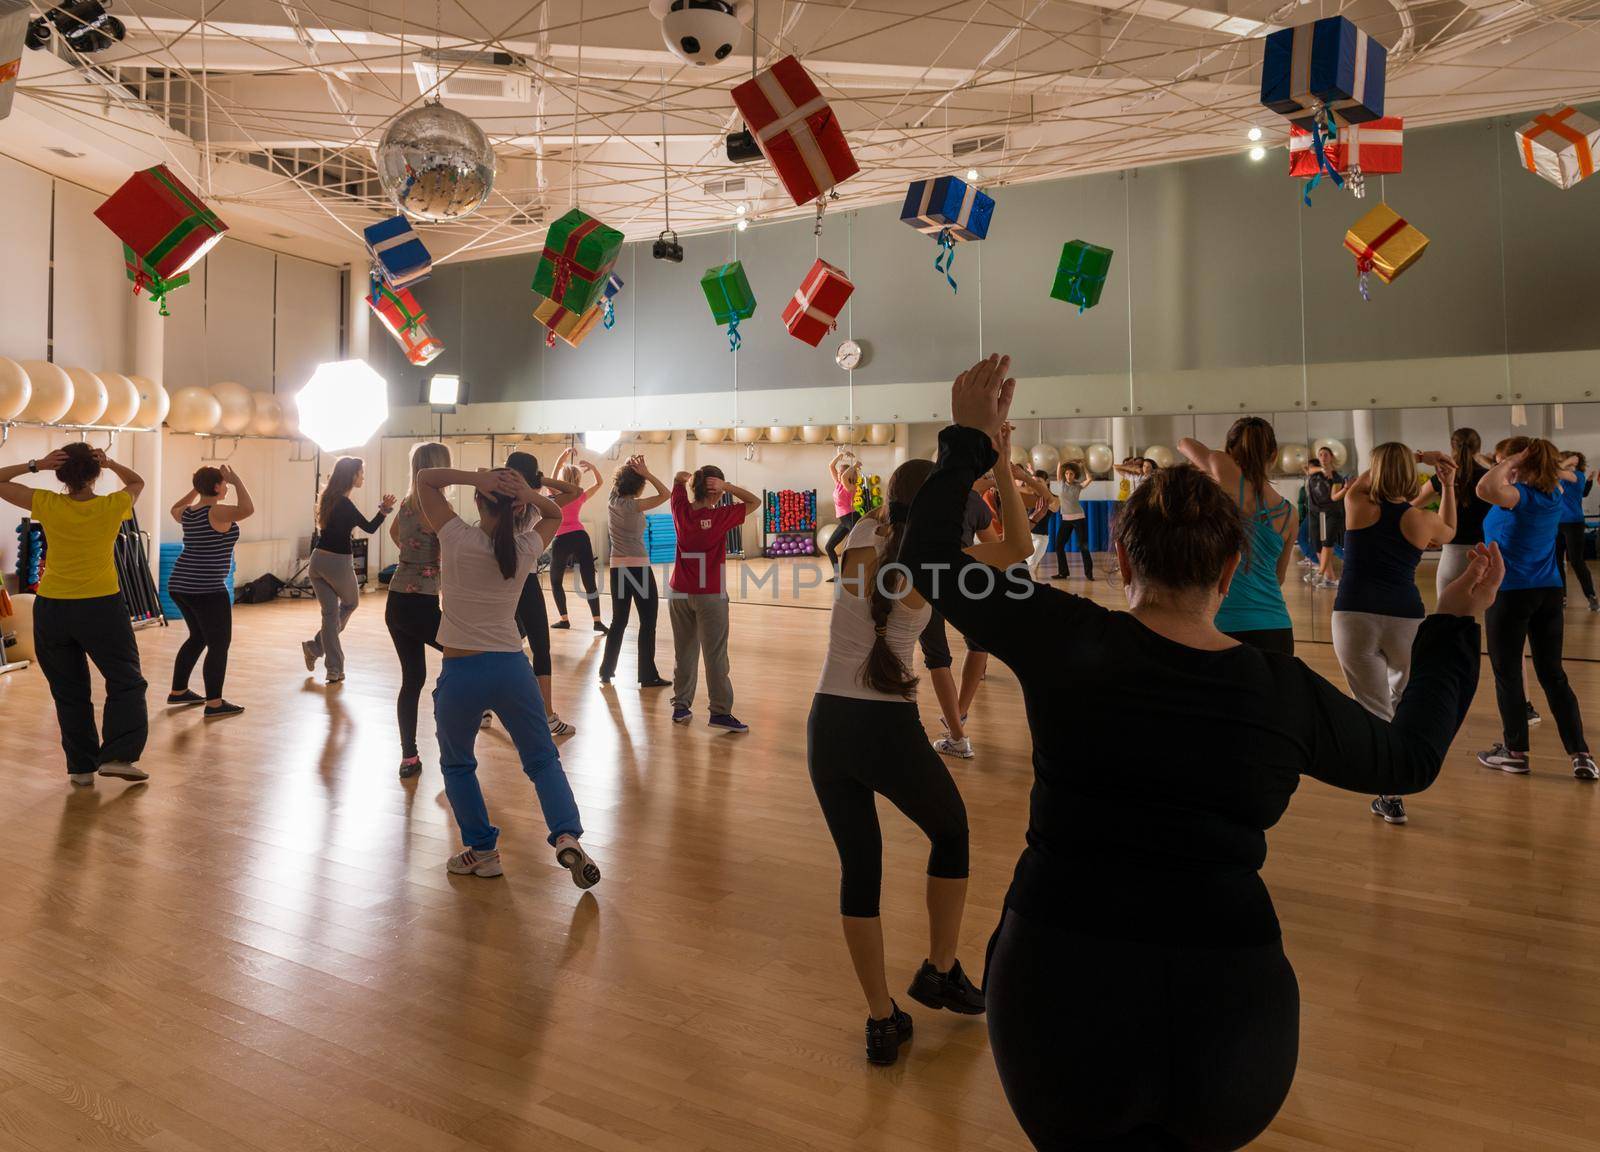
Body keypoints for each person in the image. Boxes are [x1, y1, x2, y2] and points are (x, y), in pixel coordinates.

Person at [902, 354, 1496, 1152]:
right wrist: (1453, 627)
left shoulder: (1065, 635)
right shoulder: (1280, 691)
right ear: (1228, 567)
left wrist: (971, 443)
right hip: (1229, 1015)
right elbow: (1410, 760)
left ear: (1127, 556)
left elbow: (930, 561)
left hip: (1057, 989)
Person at [808, 458, 985, 1066]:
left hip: (826, 724)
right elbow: (1015, 547)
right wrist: (1004, 469)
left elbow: (879, 521)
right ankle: (939, 969)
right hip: (884, 728)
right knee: (952, 833)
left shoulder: (860, 535)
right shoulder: (935, 567)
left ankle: (882, 1019)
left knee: (860, 871)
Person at [413, 462, 602, 887]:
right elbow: (555, 512)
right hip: (512, 669)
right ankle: (567, 834)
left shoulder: (457, 536)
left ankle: (483, 852)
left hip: (462, 671)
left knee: (458, 765)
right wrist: (529, 494)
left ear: (479, 500)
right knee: (541, 759)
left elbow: (425, 478)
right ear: (518, 510)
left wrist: (476, 478)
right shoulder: (525, 547)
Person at [0, 445, 150, 785]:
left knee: (69, 690)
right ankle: (118, 757)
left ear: (61, 473)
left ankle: (81, 768)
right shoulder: (113, 505)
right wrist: (110, 462)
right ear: (95, 473)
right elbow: (137, 482)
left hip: (53, 607)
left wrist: (35, 463)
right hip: (100, 606)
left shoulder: (48, 503)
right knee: (126, 680)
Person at [1331, 444, 1458, 826]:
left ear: (1374, 469)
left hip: (1353, 616)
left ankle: (1390, 793)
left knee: (1372, 707)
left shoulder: (1356, 502)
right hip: (1405, 619)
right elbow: (1451, 531)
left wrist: (1400, 460)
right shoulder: (1421, 519)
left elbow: (1370, 480)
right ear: (1410, 475)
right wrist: (1447, 484)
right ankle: (1405, 771)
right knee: (1404, 699)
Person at [1475, 439, 1596, 780]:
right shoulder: (1554, 491)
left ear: (1524, 464)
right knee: (1553, 674)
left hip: (1511, 594)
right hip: (1548, 593)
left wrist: (1513, 460)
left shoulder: (1520, 498)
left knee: (1508, 673)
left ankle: (1515, 753)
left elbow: (1485, 487)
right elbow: (1570, 474)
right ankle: (1581, 754)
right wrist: (1531, 463)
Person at [922, 464, 1020, 760]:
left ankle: (958, 732)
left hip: (925, 578)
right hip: (960, 578)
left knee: (937, 655)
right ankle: (959, 717)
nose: (988, 480)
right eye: (985, 476)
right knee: (976, 644)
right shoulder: (974, 502)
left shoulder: (926, 495)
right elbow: (995, 545)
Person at [1181, 419, 1299, 654]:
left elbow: (1184, 443)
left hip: (1223, 625)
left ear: (1229, 450)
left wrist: (1217, 461)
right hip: (1277, 627)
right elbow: (1279, 576)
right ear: (1274, 455)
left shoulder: (1223, 469)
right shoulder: (1290, 513)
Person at [668, 464, 760, 731]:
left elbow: (676, 482)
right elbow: (755, 501)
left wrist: (686, 478)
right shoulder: (722, 516)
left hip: (679, 593)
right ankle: (719, 713)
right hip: (710, 595)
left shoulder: (680, 510)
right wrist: (727, 486)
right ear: (717, 489)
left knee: (683, 653)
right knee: (715, 656)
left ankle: (680, 708)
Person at [385, 441, 452, 779]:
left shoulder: (409, 504)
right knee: (463, 654)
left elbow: (397, 534)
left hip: (397, 600)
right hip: (419, 603)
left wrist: (416, 557)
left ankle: (409, 756)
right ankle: (459, 733)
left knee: (412, 679)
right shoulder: (436, 506)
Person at [506, 452, 584, 737]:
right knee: (540, 644)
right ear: (534, 475)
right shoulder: (536, 505)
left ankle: (486, 710)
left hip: (501, 580)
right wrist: (537, 482)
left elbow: (575, 491)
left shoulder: (497, 499)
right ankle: (547, 715)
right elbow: (574, 491)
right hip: (522, 581)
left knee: (500, 643)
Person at [167, 463, 252, 719]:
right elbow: (248, 509)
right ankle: (214, 703)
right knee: (219, 644)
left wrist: (195, 490)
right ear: (216, 487)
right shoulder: (217, 512)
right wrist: (236, 479)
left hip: (180, 585)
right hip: (205, 588)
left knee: (198, 638)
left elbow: (173, 508)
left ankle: (179, 691)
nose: (226, 486)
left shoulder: (189, 513)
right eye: (223, 483)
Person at [301, 456, 395, 684]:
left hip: (318, 561)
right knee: (350, 604)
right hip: (338, 562)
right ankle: (318, 649)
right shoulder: (345, 504)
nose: (363, 477)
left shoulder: (327, 498)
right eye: (361, 473)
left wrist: (382, 509)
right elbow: (370, 527)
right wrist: (384, 510)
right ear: (352, 476)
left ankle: (327, 662)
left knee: (330, 614)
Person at [598, 455, 671, 688]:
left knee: (619, 620)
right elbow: (666, 494)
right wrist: (646, 472)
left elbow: (617, 484)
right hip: (638, 568)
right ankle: (647, 675)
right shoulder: (634, 505)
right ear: (638, 486)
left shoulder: (612, 500)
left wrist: (631, 468)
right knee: (648, 621)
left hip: (618, 568)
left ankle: (606, 670)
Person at [547, 447, 607, 632]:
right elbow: (599, 483)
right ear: (579, 479)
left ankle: (564, 620)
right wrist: (593, 466)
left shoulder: (556, 491)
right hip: (580, 536)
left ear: (562, 479)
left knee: (556, 581)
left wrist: (561, 457)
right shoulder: (580, 494)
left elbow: (552, 475)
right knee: (589, 580)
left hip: (562, 538)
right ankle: (597, 621)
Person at [1431, 428, 1493, 597]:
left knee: (1446, 615)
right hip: (1482, 553)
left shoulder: (1442, 475)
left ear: (1453, 447)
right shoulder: (1488, 477)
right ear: (1478, 448)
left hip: (1451, 554)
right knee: (1476, 616)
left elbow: (1413, 503)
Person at [1556, 450, 1596, 612]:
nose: (1572, 467)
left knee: (1576, 561)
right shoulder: (1555, 477)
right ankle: (1561, 597)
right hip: (1555, 524)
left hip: (1574, 524)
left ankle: (1591, 596)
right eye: (1569, 464)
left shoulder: (1578, 476)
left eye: (1574, 464)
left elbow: (1557, 472)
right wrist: (1564, 463)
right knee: (1556, 561)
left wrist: (1565, 465)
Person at [1304, 446, 1347, 589]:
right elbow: (1306, 469)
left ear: (1331, 457)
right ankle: (1330, 578)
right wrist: (1321, 470)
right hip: (1315, 512)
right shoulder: (1314, 471)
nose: (1323, 457)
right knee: (1317, 544)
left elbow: (1334, 497)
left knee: (1327, 542)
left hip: (1331, 512)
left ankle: (1320, 573)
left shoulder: (1336, 477)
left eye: (1326, 454)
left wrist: (1346, 489)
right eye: (1320, 454)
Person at [1051, 459, 1093, 580]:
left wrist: (1083, 465)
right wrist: (1071, 460)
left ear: (1075, 475)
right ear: (1064, 475)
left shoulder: (1078, 486)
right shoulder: (1060, 483)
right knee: (1059, 546)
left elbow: (1089, 478)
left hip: (1079, 518)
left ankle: (1089, 573)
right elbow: (1059, 464)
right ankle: (1063, 572)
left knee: (1083, 546)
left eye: (1071, 474)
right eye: (1067, 473)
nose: (1069, 476)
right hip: (1066, 519)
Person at [824, 449, 862, 577]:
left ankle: (861, 574)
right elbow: (831, 466)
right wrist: (840, 455)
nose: (839, 474)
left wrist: (855, 466)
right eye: (839, 472)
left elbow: (846, 476)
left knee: (855, 549)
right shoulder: (838, 484)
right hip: (844, 521)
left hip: (851, 518)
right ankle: (836, 576)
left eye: (841, 472)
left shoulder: (850, 486)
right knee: (829, 547)